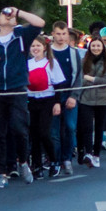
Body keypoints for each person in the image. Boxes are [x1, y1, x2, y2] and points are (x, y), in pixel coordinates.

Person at [0, 5, 46, 189]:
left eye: (10, 15)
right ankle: (2, 173)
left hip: (17, 88)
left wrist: (19, 12)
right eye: (4, 13)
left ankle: (23, 161)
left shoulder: (21, 35)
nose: (7, 16)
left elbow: (40, 23)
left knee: (19, 128)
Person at [25, 36, 66, 176]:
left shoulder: (51, 63)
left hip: (48, 100)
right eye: (32, 46)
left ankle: (54, 160)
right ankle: (37, 165)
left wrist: (57, 103)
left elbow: (59, 84)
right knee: (34, 134)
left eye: (38, 45)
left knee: (44, 132)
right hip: (32, 100)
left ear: (44, 47)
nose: (35, 48)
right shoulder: (27, 63)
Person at [47, 21, 84, 172]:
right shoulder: (47, 52)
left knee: (70, 126)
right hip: (52, 95)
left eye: (64, 34)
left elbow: (79, 76)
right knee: (54, 130)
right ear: (53, 34)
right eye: (58, 34)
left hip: (69, 93)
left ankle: (67, 158)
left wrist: (74, 96)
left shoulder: (74, 53)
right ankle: (55, 160)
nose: (61, 37)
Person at [77, 35, 106, 166]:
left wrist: (90, 79)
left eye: (98, 46)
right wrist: (91, 80)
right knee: (87, 127)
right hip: (86, 99)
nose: (96, 48)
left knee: (99, 128)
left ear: (103, 47)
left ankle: (96, 155)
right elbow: (80, 80)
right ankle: (88, 152)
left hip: (103, 100)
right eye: (93, 46)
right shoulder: (83, 61)